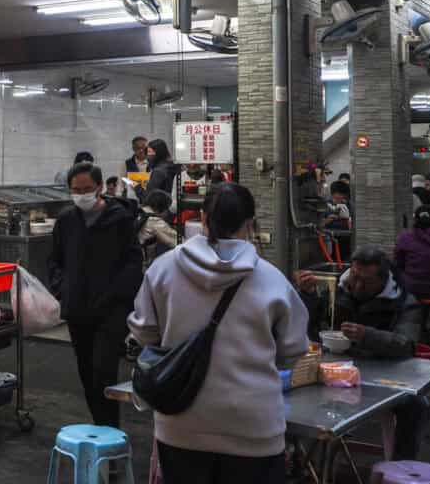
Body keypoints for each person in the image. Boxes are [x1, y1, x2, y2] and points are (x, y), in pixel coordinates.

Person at [128, 183, 309, 483]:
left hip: (181, 425)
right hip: (253, 428)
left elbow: (143, 331)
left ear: (203, 218)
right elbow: (293, 350)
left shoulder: (163, 269)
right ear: (250, 224)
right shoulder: (270, 279)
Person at [296, 247, 427, 459]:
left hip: (381, 374)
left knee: (416, 405)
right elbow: (307, 327)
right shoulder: (338, 289)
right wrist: (307, 296)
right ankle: (302, 462)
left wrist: (367, 335)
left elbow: (406, 344)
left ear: (383, 280)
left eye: (365, 282)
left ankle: (400, 468)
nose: (356, 285)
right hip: (332, 369)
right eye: (354, 277)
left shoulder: (404, 301)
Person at [47, 162, 142, 429]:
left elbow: (133, 263)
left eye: (87, 189)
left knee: (104, 371)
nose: (82, 194)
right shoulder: (66, 220)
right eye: (76, 190)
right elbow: (55, 261)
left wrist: (119, 297)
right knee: (87, 373)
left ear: (99, 187)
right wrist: (62, 288)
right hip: (77, 310)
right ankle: (100, 426)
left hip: (110, 312)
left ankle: (110, 431)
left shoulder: (119, 219)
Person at [137, 189, 178, 268]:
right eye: (167, 208)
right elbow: (176, 240)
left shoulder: (139, 212)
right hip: (142, 264)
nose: (167, 212)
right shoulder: (154, 221)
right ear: (162, 207)